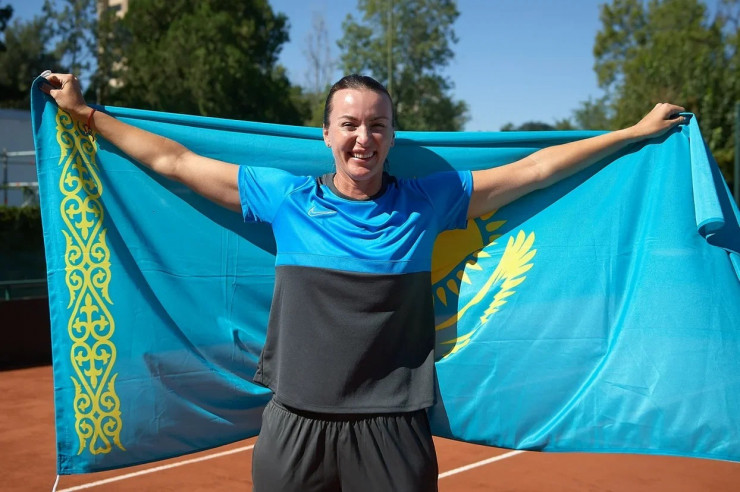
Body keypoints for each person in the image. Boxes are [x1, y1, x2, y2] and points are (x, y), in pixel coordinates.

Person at [42, 72, 685, 492]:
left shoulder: (428, 201)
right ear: (326, 134)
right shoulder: (286, 199)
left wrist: (632, 134)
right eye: (349, 124)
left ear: (392, 136)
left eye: (377, 125)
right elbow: (175, 161)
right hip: (294, 425)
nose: (363, 137)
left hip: (392, 430)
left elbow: (536, 170)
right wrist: (85, 113)